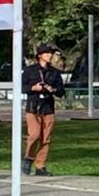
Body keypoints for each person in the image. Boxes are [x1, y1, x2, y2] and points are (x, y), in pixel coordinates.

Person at [22, 43, 65, 176]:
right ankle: (28, 158)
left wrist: (53, 89)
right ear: (40, 55)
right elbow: (22, 87)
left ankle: (40, 166)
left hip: (48, 108)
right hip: (33, 107)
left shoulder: (54, 73)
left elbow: (61, 92)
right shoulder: (30, 70)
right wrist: (33, 88)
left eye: (50, 53)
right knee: (34, 135)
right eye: (46, 53)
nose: (49, 55)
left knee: (45, 138)